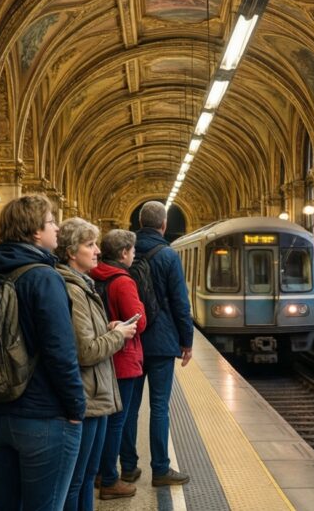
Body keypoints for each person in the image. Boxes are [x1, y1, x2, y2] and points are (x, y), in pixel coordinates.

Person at [0, 194, 85, 510]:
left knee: (5, 505)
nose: (56, 228)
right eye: (52, 221)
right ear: (36, 231)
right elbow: (59, 351)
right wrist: (76, 406)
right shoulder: (44, 277)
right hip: (42, 414)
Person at [55, 219, 137, 511]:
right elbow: (86, 351)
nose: (98, 251)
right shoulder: (72, 289)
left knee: (88, 476)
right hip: (86, 396)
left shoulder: (85, 284)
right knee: (78, 479)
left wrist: (109, 327)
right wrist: (117, 335)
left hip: (97, 395)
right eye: (90, 245)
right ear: (70, 251)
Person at [123, 201, 194, 486]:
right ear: (163, 225)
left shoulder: (126, 252)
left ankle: (127, 467)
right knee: (160, 407)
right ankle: (161, 470)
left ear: (140, 223)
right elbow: (180, 302)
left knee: (129, 407)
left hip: (131, 338)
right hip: (162, 342)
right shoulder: (168, 255)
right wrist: (186, 341)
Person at [90, 229, 147, 500]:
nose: (134, 255)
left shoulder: (92, 275)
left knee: (105, 419)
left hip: (100, 356)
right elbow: (139, 320)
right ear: (124, 253)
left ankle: (100, 471)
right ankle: (110, 479)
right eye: (132, 251)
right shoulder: (123, 281)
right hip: (122, 358)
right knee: (117, 421)